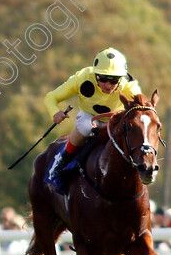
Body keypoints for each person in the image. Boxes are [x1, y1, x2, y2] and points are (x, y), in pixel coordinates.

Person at [43, 47, 144, 181]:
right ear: (95, 74)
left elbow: (142, 109)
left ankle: (142, 169)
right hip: (89, 116)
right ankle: (62, 163)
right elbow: (51, 97)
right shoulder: (82, 78)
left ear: (121, 78)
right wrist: (55, 113)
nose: (108, 85)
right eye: (103, 79)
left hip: (115, 120)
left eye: (114, 80)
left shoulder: (129, 85)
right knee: (86, 128)